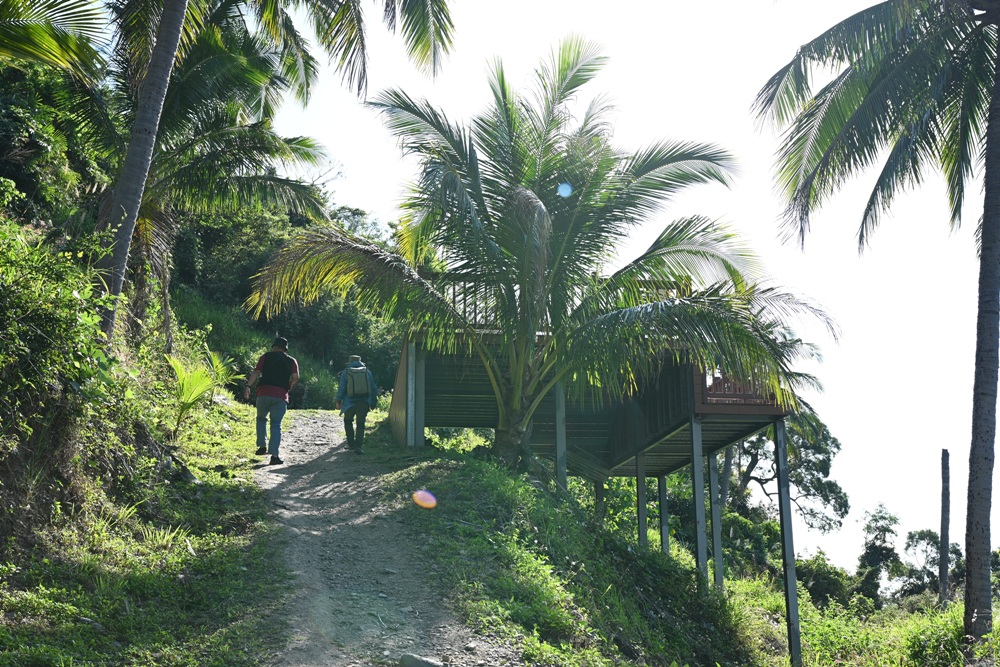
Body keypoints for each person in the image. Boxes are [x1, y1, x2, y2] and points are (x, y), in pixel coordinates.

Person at [244, 337, 299, 465]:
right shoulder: (292, 361)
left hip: (263, 393)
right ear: (285, 349)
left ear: (274, 346)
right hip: (280, 395)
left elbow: (257, 371)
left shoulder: (266, 356)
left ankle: (262, 447)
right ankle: (274, 456)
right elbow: (296, 377)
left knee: (261, 419)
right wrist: (289, 385)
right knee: (276, 424)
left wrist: (248, 386)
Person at [336, 354, 379, 453]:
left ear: (349, 362)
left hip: (349, 402)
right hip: (363, 402)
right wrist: (373, 402)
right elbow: (373, 388)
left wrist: (338, 400)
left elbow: (342, 388)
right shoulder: (367, 372)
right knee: (360, 423)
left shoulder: (345, 372)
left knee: (348, 421)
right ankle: (359, 446)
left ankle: (351, 444)